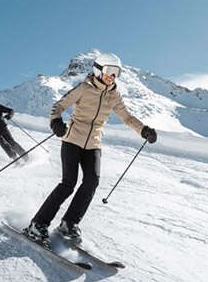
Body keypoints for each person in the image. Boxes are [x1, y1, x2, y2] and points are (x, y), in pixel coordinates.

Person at [26, 53, 157, 244]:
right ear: (98, 70)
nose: (112, 76)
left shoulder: (114, 95)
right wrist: (55, 122)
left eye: (116, 72)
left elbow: (127, 117)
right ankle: (38, 224)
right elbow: (59, 106)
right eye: (109, 71)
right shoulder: (84, 88)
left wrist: (143, 130)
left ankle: (69, 223)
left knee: (92, 181)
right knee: (68, 184)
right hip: (72, 140)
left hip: (93, 144)